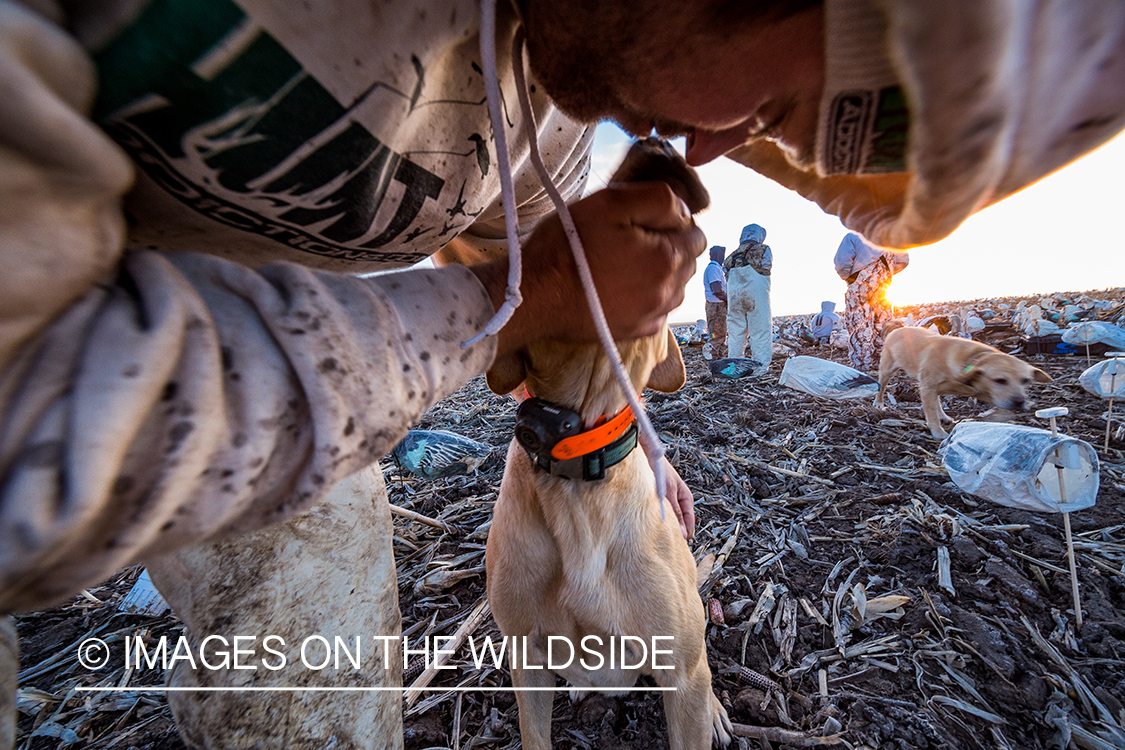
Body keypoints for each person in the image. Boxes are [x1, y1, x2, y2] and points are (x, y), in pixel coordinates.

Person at [2, 0, 1123, 747]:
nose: (718, 146)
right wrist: (516, 309)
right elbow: (26, 432)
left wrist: (631, 425)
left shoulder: (563, 98)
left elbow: (569, 311)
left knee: (307, 674)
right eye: (772, 108)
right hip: (115, 349)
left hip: (318, 373)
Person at [834, 232, 909, 370]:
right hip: (883, 285)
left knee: (859, 324)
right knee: (883, 323)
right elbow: (903, 261)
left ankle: (863, 366)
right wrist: (887, 273)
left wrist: (850, 277)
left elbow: (841, 263)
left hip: (859, 286)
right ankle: (882, 363)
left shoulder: (853, 236)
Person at [724, 223, 773, 373]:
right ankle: (760, 368)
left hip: (735, 299)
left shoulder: (730, 257)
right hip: (755, 298)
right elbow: (766, 267)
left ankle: (735, 366)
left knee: (735, 332)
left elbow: (726, 276)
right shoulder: (763, 249)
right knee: (760, 331)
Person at [702, 245, 728, 357]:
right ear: (718, 255)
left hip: (715, 305)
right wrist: (728, 300)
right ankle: (711, 352)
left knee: (714, 331)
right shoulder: (714, 268)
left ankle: (717, 353)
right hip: (717, 306)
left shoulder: (715, 268)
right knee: (718, 332)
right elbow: (717, 289)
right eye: (722, 255)